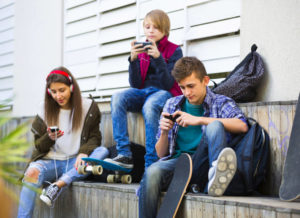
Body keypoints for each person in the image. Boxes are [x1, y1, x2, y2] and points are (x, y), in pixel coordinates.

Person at [138, 57, 249, 218]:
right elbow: (161, 154)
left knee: (215, 126)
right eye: (182, 87)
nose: (187, 92)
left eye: (191, 86)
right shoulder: (172, 104)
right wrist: (163, 132)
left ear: (205, 80)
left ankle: (216, 178)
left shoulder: (220, 102)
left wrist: (199, 120)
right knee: (152, 172)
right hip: (180, 166)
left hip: (206, 163)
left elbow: (242, 125)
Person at [17, 67, 109, 218]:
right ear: (49, 92)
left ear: (71, 87)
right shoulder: (44, 109)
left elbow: (95, 138)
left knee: (102, 151)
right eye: (53, 92)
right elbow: (39, 146)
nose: (58, 96)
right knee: (31, 173)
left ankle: (57, 186)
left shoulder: (88, 107)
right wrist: (49, 138)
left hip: (75, 160)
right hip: (50, 162)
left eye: (62, 90)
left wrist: (83, 152)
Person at [105, 9, 183, 169]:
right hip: (143, 92)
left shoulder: (175, 50)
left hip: (164, 93)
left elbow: (168, 83)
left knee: (150, 106)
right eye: (147, 27)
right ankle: (124, 155)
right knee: (117, 97)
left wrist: (158, 58)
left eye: (156, 27)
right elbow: (135, 84)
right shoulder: (141, 49)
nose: (151, 30)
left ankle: (151, 163)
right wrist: (133, 60)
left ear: (165, 29)